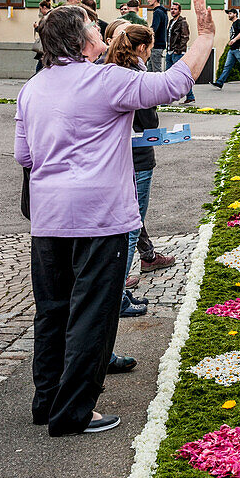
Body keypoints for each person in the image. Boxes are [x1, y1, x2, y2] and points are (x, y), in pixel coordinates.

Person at [14, 0, 215, 436]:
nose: (98, 28)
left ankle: (46, 401)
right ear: (84, 42)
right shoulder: (105, 80)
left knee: (52, 311)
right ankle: (73, 414)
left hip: (48, 218)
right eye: (92, 24)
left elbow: (24, 155)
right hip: (98, 215)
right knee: (92, 314)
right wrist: (205, 38)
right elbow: (172, 84)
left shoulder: (32, 88)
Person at [104, 19, 176, 283]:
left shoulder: (107, 70)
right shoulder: (136, 76)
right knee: (132, 221)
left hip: (115, 156)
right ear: (143, 48)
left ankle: (144, 258)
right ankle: (118, 289)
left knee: (124, 220)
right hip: (138, 155)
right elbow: (149, 121)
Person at [213, 8, 240, 90]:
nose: (229, 15)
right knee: (227, 66)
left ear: (235, 14)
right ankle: (219, 83)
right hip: (232, 49)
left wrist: (234, 40)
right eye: (228, 14)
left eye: (230, 13)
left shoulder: (239, 22)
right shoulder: (233, 24)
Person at [166, 1, 195, 103]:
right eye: (172, 9)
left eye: (175, 9)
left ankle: (189, 96)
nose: (172, 11)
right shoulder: (171, 21)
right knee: (169, 76)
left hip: (177, 53)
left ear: (179, 11)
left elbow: (185, 37)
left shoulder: (182, 23)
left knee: (180, 76)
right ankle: (189, 96)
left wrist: (177, 50)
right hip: (169, 52)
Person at [146, 0, 168, 72]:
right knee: (150, 71)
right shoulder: (163, 12)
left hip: (156, 45)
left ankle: (160, 85)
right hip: (159, 45)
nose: (148, 0)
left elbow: (154, 28)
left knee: (156, 71)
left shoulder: (158, 12)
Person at [33, 0, 52, 73]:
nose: (40, 11)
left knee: (40, 67)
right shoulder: (52, 14)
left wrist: (37, 28)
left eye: (40, 9)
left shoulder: (47, 17)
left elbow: (45, 31)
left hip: (47, 46)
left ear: (44, 7)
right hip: (48, 45)